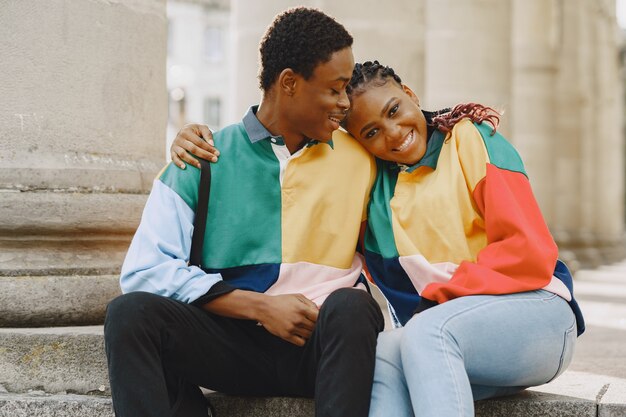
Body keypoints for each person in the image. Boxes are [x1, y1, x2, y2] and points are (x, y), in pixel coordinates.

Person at [173, 60, 585, 417]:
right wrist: (199, 138)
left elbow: (528, 252)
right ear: (356, 141)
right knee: (384, 357)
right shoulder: (368, 188)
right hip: (449, 344)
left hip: (539, 318)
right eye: (370, 132)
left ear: (409, 93)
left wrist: (437, 300)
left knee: (426, 333)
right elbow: (287, 179)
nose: (393, 132)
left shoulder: (471, 140)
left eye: (394, 109)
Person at [104, 8, 384, 417]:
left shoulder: (361, 159)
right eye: (335, 89)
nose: (345, 103)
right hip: (232, 345)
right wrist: (260, 307)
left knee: (354, 306)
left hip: (325, 347)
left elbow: (410, 143)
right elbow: (144, 271)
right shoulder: (202, 158)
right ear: (289, 82)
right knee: (129, 315)